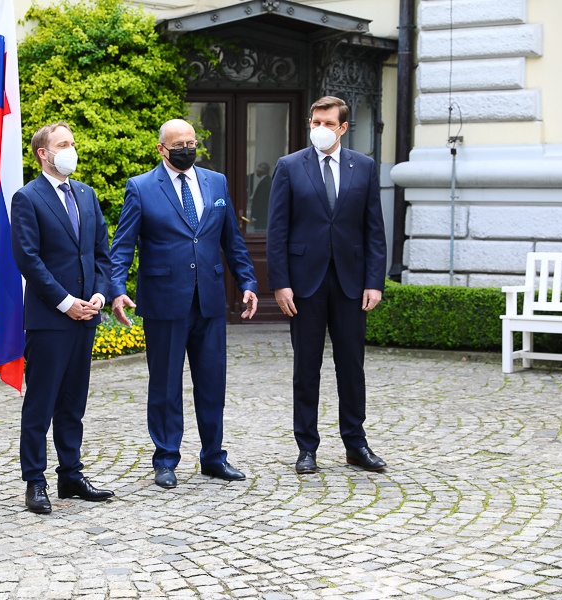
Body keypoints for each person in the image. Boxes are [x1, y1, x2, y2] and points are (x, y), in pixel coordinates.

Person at [110, 118, 259, 489]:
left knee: (212, 383)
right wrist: (116, 288)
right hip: (164, 302)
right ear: (162, 148)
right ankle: (165, 459)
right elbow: (123, 244)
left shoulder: (216, 182)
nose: (187, 149)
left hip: (209, 299)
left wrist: (248, 282)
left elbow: (233, 241)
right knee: (164, 384)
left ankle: (213, 457)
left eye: (191, 142)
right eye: (179, 144)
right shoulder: (141, 188)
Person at [265, 96, 388, 475]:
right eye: (314, 121)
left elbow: (374, 230)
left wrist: (374, 281)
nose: (319, 128)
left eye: (327, 123)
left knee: (352, 366)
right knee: (307, 367)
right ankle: (307, 448)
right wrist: (281, 283)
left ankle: (356, 444)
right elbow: (277, 230)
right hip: (305, 284)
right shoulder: (289, 167)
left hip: (352, 283)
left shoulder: (364, 167)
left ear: (343, 128)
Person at [11, 122, 114, 514]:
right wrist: (66, 301)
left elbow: (101, 251)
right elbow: (29, 260)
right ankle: (35, 481)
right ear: (43, 153)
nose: (71, 149)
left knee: (73, 403)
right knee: (41, 402)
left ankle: (71, 474)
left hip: (87, 315)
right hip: (50, 318)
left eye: (72, 143)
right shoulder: (28, 198)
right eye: (63, 144)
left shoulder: (86, 195)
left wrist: (100, 294)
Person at [249, 162, 272, 230]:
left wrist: (254, 216)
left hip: (261, 217)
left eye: (258, 170)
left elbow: (260, 201)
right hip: (263, 216)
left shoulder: (265, 183)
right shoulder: (266, 181)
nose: (257, 172)